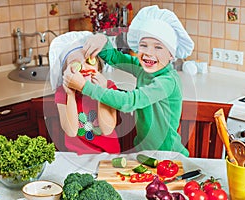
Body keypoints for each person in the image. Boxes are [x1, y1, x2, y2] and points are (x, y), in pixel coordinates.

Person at [63, 5, 194, 156]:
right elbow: (116, 58)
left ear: (171, 55)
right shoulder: (142, 68)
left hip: (168, 155)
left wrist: (85, 86)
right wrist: (101, 40)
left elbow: (129, 102)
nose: (148, 53)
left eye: (158, 47)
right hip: (144, 153)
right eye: (143, 46)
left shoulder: (167, 81)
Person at [49, 31, 120, 154]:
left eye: (89, 61)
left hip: (108, 154)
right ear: (65, 72)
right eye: (76, 63)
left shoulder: (108, 87)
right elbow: (71, 131)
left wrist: (101, 93)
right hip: (77, 156)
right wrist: (70, 94)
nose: (84, 67)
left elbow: (107, 129)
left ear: (98, 67)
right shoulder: (62, 93)